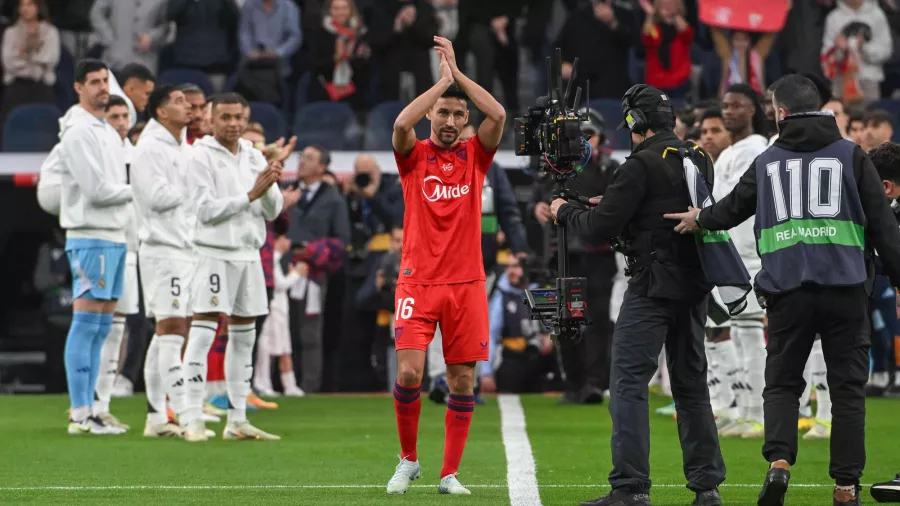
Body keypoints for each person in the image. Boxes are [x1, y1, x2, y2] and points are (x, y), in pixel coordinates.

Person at [665, 74, 900, 506]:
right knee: (847, 389)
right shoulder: (852, 156)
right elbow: (884, 226)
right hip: (846, 288)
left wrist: (700, 217)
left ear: (779, 112)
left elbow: (732, 209)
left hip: (787, 289)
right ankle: (846, 487)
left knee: (782, 385)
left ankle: (779, 464)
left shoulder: (769, 160)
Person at [549, 84, 728, 506]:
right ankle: (707, 487)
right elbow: (662, 210)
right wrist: (612, 203)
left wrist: (565, 211)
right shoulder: (698, 156)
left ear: (635, 121)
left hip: (652, 285)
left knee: (628, 382)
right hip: (694, 284)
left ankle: (629, 488)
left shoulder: (639, 164)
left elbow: (598, 229)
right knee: (691, 385)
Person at [385, 35, 505, 496]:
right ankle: (408, 460)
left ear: (465, 121)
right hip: (417, 281)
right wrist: (441, 84)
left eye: (459, 114)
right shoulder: (413, 157)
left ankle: (449, 473)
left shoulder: (476, 156)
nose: (451, 120)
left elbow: (497, 115)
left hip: (467, 283)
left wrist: (458, 77)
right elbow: (400, 122)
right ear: (431, 114)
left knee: (461, 379)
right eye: (444, 113)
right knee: (410, 374)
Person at [183, 92, 286, 442]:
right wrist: (252, 194)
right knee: (203, 331)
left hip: (248, 253)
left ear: (246, 117)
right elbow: (204, 210)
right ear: (212, 119)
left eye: (238, 117)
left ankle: (237, 420)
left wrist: (269, 182)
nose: (232, 123)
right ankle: (192, 417)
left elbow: (272, 212)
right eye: (225, 117)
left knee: (245, 334)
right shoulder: (199, 156)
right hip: (214, 252)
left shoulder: (254, 155)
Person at [58, 59, 132, 435]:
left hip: (114, 236)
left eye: (105, 80)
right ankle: (79, 413)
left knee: (102, 327)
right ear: (78, 87)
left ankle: (91, 408)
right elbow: (97, 191)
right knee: (86, 324)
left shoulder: (105, 128)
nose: (102, 87)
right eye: (94, 82)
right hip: (90, 235)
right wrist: (142, 192)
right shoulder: (78, 131)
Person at [131, 84, 197, 438]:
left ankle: (157, 416)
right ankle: (186, 413)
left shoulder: (183, 148)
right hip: (161, 249)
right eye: (179, 102)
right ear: (160, 111)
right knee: (172, 330)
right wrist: (196, 186)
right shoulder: (149, 148)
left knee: (169, 334)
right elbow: (155, 197)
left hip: (184, 248)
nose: (187, 107)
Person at [711, 83, 770, 439]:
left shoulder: (757, 149)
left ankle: (758, 414)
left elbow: (743, 206)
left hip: (748, 256)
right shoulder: (730, 152)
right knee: (738, 336)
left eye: (736, 105)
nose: (729, 111)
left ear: (753, 110)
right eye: (725, 106)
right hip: (729, 255)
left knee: (751, 335)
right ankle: (745, 409)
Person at [90, 94, 138, 432]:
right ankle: (86, 403)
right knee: (95, 327)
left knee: (118, 326)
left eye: (125, 116)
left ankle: (103, 404)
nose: (121, 123)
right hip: (102, 242)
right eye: (114, 117)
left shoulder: (137, 155)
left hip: (133, 250)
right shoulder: (92, 153)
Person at [253, 230, 307, 397]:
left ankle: (289, 385)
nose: (288, 242)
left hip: (281, 309)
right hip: (272, 309)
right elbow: (278, 284)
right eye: (284, 238)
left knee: (283, 346)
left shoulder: (278, 259)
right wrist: (296, 274)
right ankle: (262, 383)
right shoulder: (271, 259)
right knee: (267, 347)